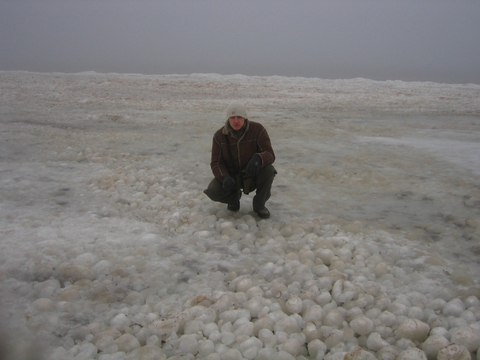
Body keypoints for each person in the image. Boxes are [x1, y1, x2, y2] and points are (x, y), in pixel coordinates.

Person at [204, 101, 276, 218]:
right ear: (228, 119)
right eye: (232, 118)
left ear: (245, 118)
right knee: (213, 190)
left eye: (239, 117)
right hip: (232, 177)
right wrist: (224, 176)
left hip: (252, 174)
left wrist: (259, 158)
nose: (236, 121)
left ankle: (259, 205)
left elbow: (270, 154)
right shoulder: (219, 136)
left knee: (269, 170)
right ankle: (233, 198)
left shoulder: (258, 130)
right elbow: (216, 163)